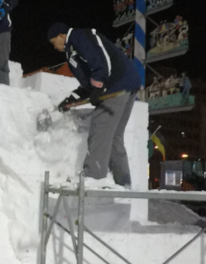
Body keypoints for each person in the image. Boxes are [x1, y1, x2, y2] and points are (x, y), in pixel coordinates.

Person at [47, 22, 142, 187]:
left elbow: (101, 59)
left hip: (117, 85)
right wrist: (70, 100)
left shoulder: (80, 36)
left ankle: (93, 176)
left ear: (61, 35)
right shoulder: (73, 52)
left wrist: (100, 85)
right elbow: (87, 84)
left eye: (53, 42)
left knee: (101, 125)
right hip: (126, 84)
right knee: (114, 137)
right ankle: (123, 183)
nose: (54, 47)